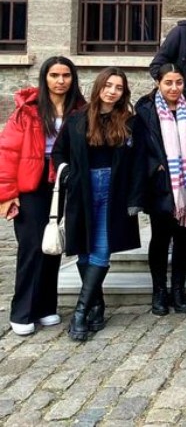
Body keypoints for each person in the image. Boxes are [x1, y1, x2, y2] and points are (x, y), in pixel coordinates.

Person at [52, 67, 141, 342]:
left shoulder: (129, 121)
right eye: (109, 85)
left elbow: (138, 162)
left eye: (118, 87)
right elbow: (58, 151)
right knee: (83, 251)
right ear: (99, 87)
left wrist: (134, 198)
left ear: (123, 92)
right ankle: (97, 305)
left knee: (101, 248)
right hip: (83, 188)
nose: (113, 91)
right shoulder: (78, 118)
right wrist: (66, 172)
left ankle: (80, 313)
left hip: (113, 189)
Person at [0, 56, 85, 336]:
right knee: (31, 248)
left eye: (66, 75)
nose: (60, 81)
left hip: (63, 183)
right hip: (32, 186)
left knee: (53, 246)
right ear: (45, 78)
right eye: (54, 75)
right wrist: (7, 194)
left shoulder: (80, 109)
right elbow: (8, 152)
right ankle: (23, 310)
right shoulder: (28, 110)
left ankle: (47, 306)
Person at [134, 64, 186, 317]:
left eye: (179, 82)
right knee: (160, 239)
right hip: (161, 185)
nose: (174, 88)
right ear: (158, 84)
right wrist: (157, 168)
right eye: (168, 83)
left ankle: (178, 289)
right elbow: (141, 147)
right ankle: (159, 290)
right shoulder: (145, 110)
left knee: (184, 238)